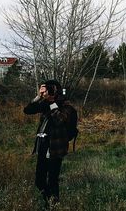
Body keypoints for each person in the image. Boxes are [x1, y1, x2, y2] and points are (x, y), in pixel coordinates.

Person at [24, 79, 72, 207]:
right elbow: (27, 110)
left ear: (56, 91)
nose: (46, 93)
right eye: (45, 89)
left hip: (55, 148)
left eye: (48, 90)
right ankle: (49, 201)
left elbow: (60, 120)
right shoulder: (45, 103)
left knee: (52, 180)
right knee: (39, 181)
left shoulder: (65, 105)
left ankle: (54, 204)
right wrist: (38, 97)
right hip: (43, 146)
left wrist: (52, 103)